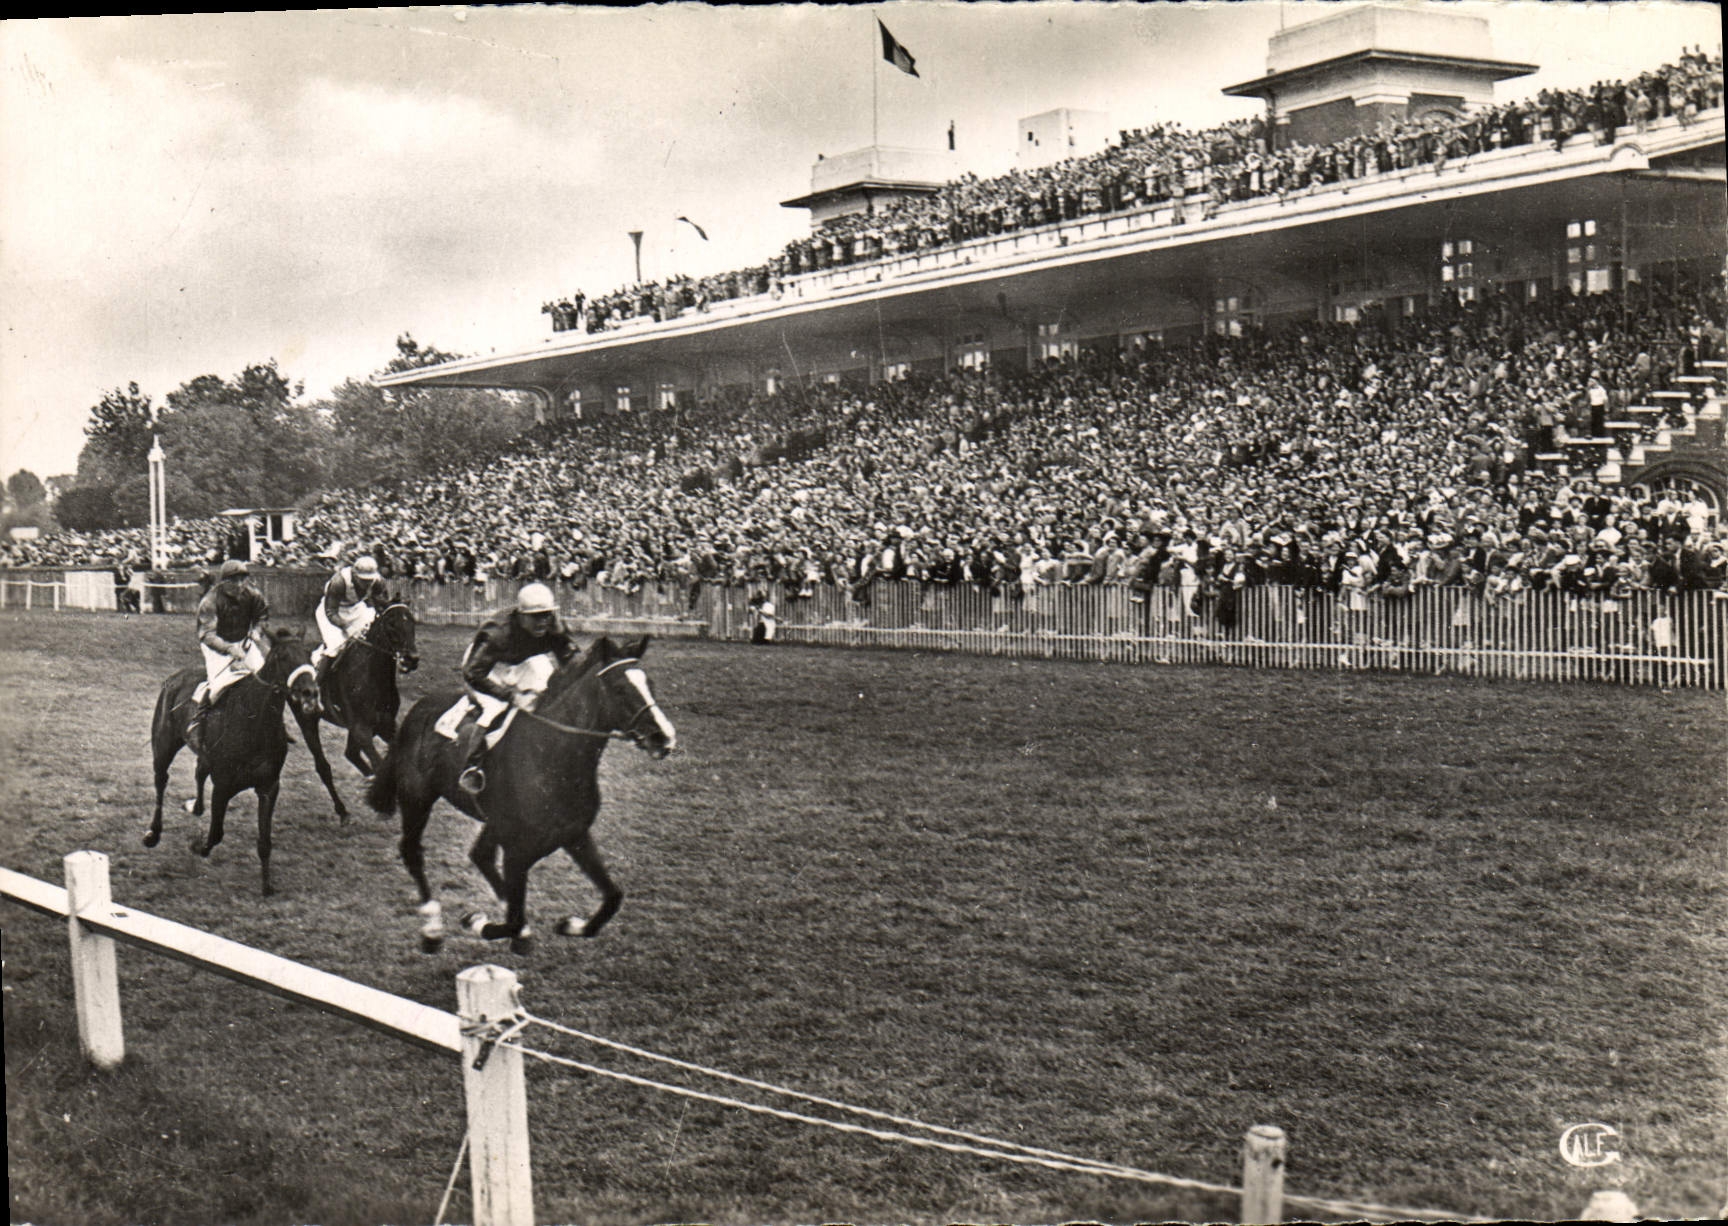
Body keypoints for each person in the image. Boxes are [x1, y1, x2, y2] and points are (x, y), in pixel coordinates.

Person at [451, 582, 580, 794]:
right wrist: (508, 695)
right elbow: (473, 672)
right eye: (535, 616)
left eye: (546, 615)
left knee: (547, 697)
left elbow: (571, 660)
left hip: (521, 661)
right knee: (495, 708)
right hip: (485, 667)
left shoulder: (551, 626)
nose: (542, 621)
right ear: (520, 615)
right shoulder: (497, 633)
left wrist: (563, 638)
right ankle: (473, 766)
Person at [186, 559, 270, 757]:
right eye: (234, 581)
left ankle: (271, 724)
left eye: (243, 579)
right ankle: (198, 722)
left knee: (265, 681)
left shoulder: (253, 594)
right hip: (217, 646)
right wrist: (229, 649)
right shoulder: (210, 601)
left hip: (243, 642)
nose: (240, 585)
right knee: (218, 686)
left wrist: (257, 631)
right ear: (223, 582)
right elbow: (207, 635)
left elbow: (262, 615)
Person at [313, 554, 385, 684]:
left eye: (369, 580)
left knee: (368, 641)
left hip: (356, 608)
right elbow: (330, 611)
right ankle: (319, 680)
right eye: (363, 580)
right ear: (354, 574)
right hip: (331, 610)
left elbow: (379, 602)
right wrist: (345, 626)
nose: (367, 584)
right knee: (336, 645)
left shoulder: (378, 581)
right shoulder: (339, 582)